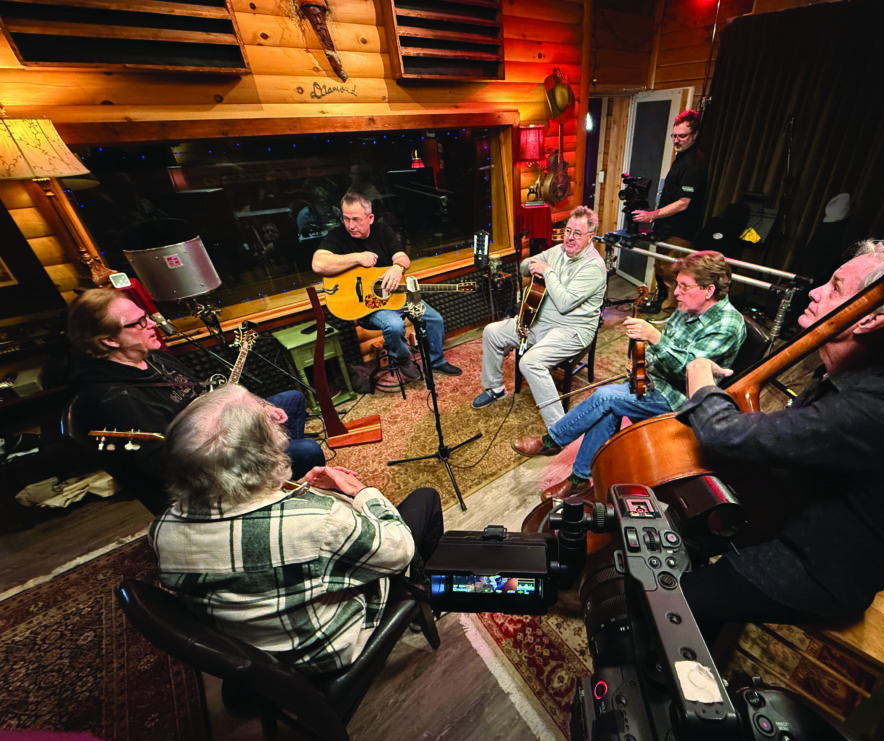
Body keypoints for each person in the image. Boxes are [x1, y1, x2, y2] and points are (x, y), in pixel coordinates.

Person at [677, 241, 884, 642]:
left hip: (820, 567)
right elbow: (782, 441)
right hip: (790, 522)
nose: (816, 292)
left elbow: (724, 433)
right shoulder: (841, 377)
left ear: (868, 320)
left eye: (836, 287)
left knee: (672, 602)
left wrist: (700, 379)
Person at [149, 384, 444, 673]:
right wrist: (361, 492)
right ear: (262, 453)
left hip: (251, 649)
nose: (280, 418)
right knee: (424, 500)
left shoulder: (162, 528)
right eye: (266, 415)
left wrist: (296, 487)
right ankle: (435, 595)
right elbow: (399, 551)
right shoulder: (320, 522)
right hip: (321, 652)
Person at [512, 251, 747, 501]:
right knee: (609, 407)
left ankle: (553, 440)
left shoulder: (726, 326)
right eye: (677, 284)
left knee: (605, 397)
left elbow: (691, 374)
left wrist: (655, 337)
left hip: (682, 400)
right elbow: (673, 347)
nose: (676, 292)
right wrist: (641, 364)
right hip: (657, 382)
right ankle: (579, 480)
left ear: (708, 290)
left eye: (684, 286)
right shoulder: (691, 303)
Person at [67, 288, 324, 515]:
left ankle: (277, 484)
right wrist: (242, 439)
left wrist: (257, 408)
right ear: (110, 340)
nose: (152, 325)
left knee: (291, 400)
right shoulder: (115, 400)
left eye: (148, 316)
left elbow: (204, 396)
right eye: (140, 322)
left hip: (218, 438)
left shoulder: (152, 357)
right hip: (204, 475)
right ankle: (273, 496)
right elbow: (165, 470)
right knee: (307, 451)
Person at [472, 205, 606, 428]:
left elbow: (564, 304)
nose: (570, 238)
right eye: (568, 231)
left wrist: (548, 271)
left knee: (531, 362)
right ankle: (495, 388)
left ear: (590, 237)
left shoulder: (593, 267)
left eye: (577, 233)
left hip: (572, 330)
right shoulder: (557, 251)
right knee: (492, 332)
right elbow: (525, 267)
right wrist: (531, 265)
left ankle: (559, 428)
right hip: (539, 319)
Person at [311, 192, 462, 381]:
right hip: (368, 304)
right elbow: (318, 264)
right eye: (346, 219)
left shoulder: (382, 230)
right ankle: (402, 359)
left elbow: (401, 256)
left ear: (370, 218)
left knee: (435, 319)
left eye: (356, 219)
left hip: (395, 296)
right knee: (394, 325)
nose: (350, 225)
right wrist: (357, 257)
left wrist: (398, 267)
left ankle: (436, 362)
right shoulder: (337, 236)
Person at [631, 110, 708, 312]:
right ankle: (660, 304)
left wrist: (652, 215)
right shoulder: (681, 157)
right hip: (666, 229)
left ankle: (669, 316)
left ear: (694, 135)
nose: (677, 140)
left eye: (682, 136)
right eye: (675, 135)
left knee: (673, 275)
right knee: (660, 268)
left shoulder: (693, 163)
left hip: (680, 232)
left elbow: (683, 203)